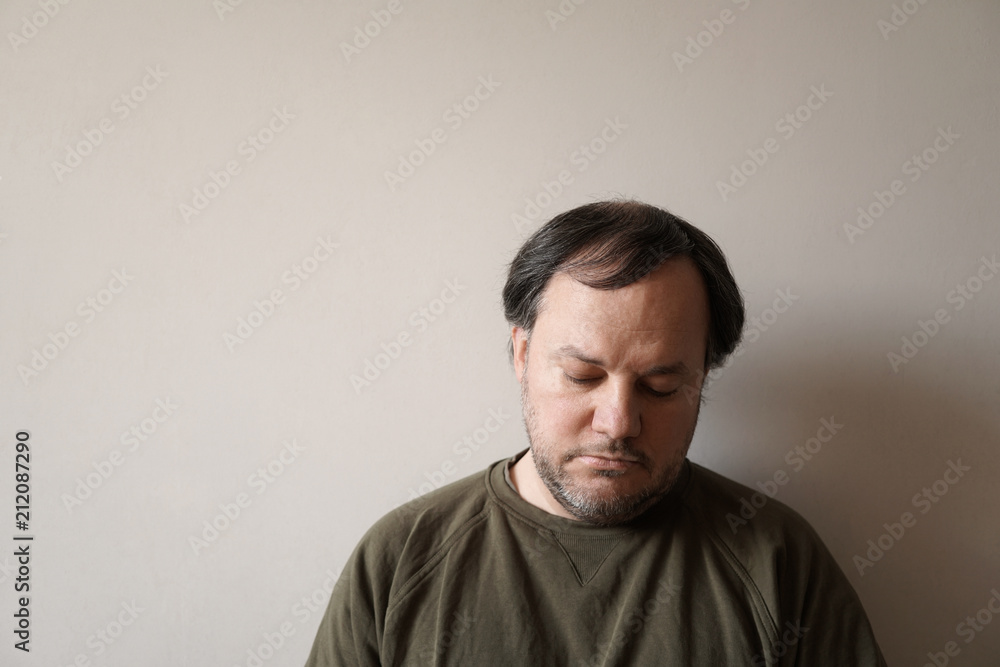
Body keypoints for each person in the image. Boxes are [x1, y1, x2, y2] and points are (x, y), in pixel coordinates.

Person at [305, 200, 886, 666]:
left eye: (660, 385)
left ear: (702, 376)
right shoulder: (402, 559)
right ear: (523, 354)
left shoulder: (777, 560)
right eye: (582, 376)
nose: (617, 423)